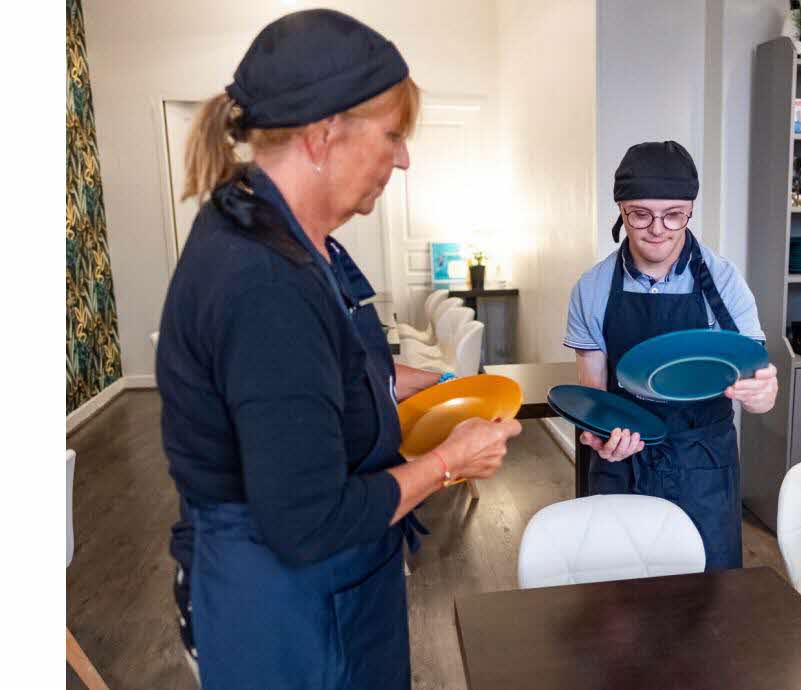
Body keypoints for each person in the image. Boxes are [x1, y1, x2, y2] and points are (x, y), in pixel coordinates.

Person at [155, 10, 521, 689]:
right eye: (393, 136)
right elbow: (309, 521)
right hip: (289, 617)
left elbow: (318, 373)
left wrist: (403, 381)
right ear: (324, 135)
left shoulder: (282, 234)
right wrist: (449, 461)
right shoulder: (264, 282)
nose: (403, 158)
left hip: (332, 596)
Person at [564, 141, 778, 570]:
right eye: (641, 214)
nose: (658, 229)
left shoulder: (725, 281)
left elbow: (759, 386)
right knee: (618, 591)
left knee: (709, 593)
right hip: (622, 462)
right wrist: (599, 437)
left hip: (703, 464)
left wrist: (763, 394)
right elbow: (594, 396)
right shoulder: (592, 288)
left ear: (690, 210)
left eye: (674, 214)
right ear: (621, 209)